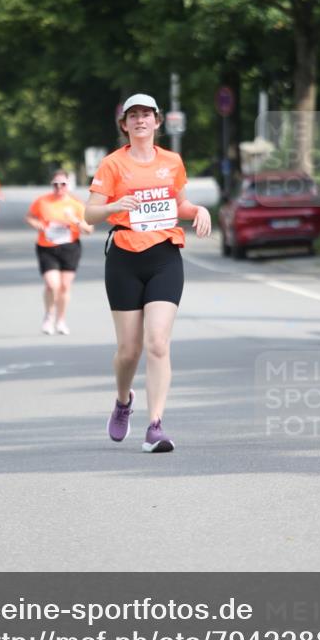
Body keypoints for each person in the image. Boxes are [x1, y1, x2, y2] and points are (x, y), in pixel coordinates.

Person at [85, 94, 212, 452]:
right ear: (124, 125)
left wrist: (198, 210)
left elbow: (179, 203)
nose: (140, 120)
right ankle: (123, 400)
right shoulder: (112, 164)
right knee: (129, 351)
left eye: (146, 115)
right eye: (133, 116)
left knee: (157, 343)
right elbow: (89, 214)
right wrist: (114, 205)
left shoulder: (172, 161)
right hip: (124, 258)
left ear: (157, 122)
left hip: (164, 256)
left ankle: (155, 426)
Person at [25, 169, 94, 335]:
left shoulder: (76, 204)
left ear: (68, 185)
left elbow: (89, 230)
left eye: (63, 184)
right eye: (55, 184)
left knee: (64, 286)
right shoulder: (42, 201)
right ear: (51, 185)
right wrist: (36, 224)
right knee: (52, 285)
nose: (59, 188)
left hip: (70, 248)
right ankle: (49, 316)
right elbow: (29, 216)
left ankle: (61, 320)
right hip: (47, 247)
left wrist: (74, 220)